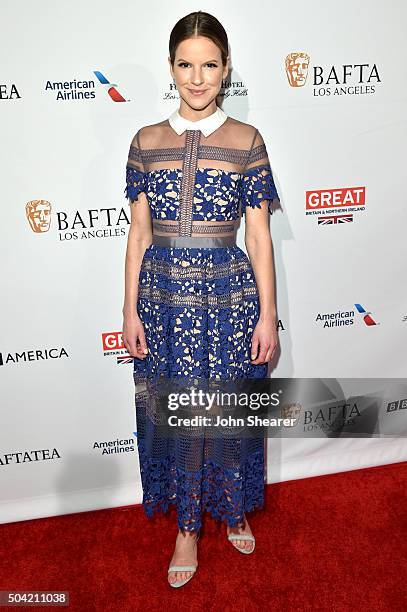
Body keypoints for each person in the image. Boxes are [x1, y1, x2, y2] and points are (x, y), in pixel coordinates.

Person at [122, 10, 279, 588]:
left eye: (209, 64)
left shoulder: (247, 141)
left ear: (226, 68)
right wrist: (127, 309)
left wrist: (269, 316)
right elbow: (138, 234)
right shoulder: (145, 141)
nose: (197, 77)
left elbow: (259, 238)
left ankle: (231, 505)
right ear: (171, 68)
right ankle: (187, 527)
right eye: (186, 64)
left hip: (229, 296)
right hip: (161, 298)